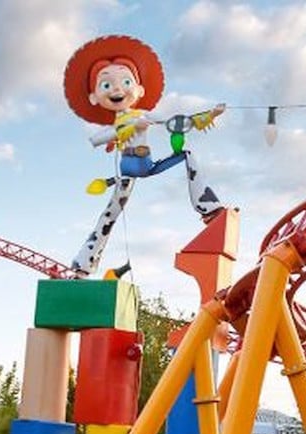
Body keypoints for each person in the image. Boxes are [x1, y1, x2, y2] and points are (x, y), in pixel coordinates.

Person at [63, 35, 225, 277]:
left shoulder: (144, 115)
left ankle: (207, 207)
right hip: (127, 170)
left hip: (147, 164)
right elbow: (97, 139)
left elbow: (176, 122)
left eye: (125, 81)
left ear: (139, 90)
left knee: (187, 154)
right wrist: (129, 128)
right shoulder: (124, 123)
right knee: (110, 214)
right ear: (94, 97)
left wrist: (209, 115)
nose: (117, 89)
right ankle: (83, 265)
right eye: (106, 85)